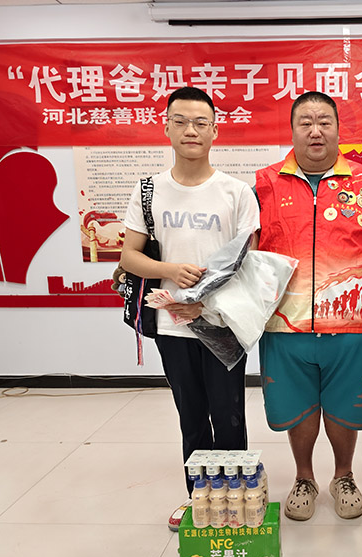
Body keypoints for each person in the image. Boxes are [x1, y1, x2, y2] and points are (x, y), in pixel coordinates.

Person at [254, 91, 362, 520]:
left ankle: (344, 476)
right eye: (305, 122)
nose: (315, 130)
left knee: (344, 406)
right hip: (285, 326)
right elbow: (245, 250)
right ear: (292, 130)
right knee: (297, 407)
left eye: (324, 121)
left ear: (339, 130)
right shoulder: (265, 184)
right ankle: (304, 477)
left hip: (352, 327)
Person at [120, 86, 259, 531]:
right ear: (166, 128)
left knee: (230, 416)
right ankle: (198, 499)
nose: (190, 130)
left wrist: (207, 300)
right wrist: (171, 271)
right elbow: (129, 257)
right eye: (180, 121)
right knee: (191, 416)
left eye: (201, 122)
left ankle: (235, 500)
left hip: (222, 324)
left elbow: (247, 260)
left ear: (216, 130)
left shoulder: (237, 192)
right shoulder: (149, 190)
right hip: (172, 323)